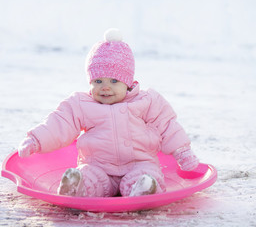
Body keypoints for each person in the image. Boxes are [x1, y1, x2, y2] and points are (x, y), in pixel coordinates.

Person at [17, 28, 199, 197]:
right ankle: (77, 186)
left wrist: (182, 152)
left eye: (113, 81)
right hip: (99, 167)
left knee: (147, 174)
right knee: (89, 176)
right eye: (97, 81)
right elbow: (60, 123)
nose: (105, 88)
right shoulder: (82, 104)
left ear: (127, 81)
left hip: (139, 164)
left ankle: (143, 189)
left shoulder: (146, 101)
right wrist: (36, 140)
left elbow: (167, 126)